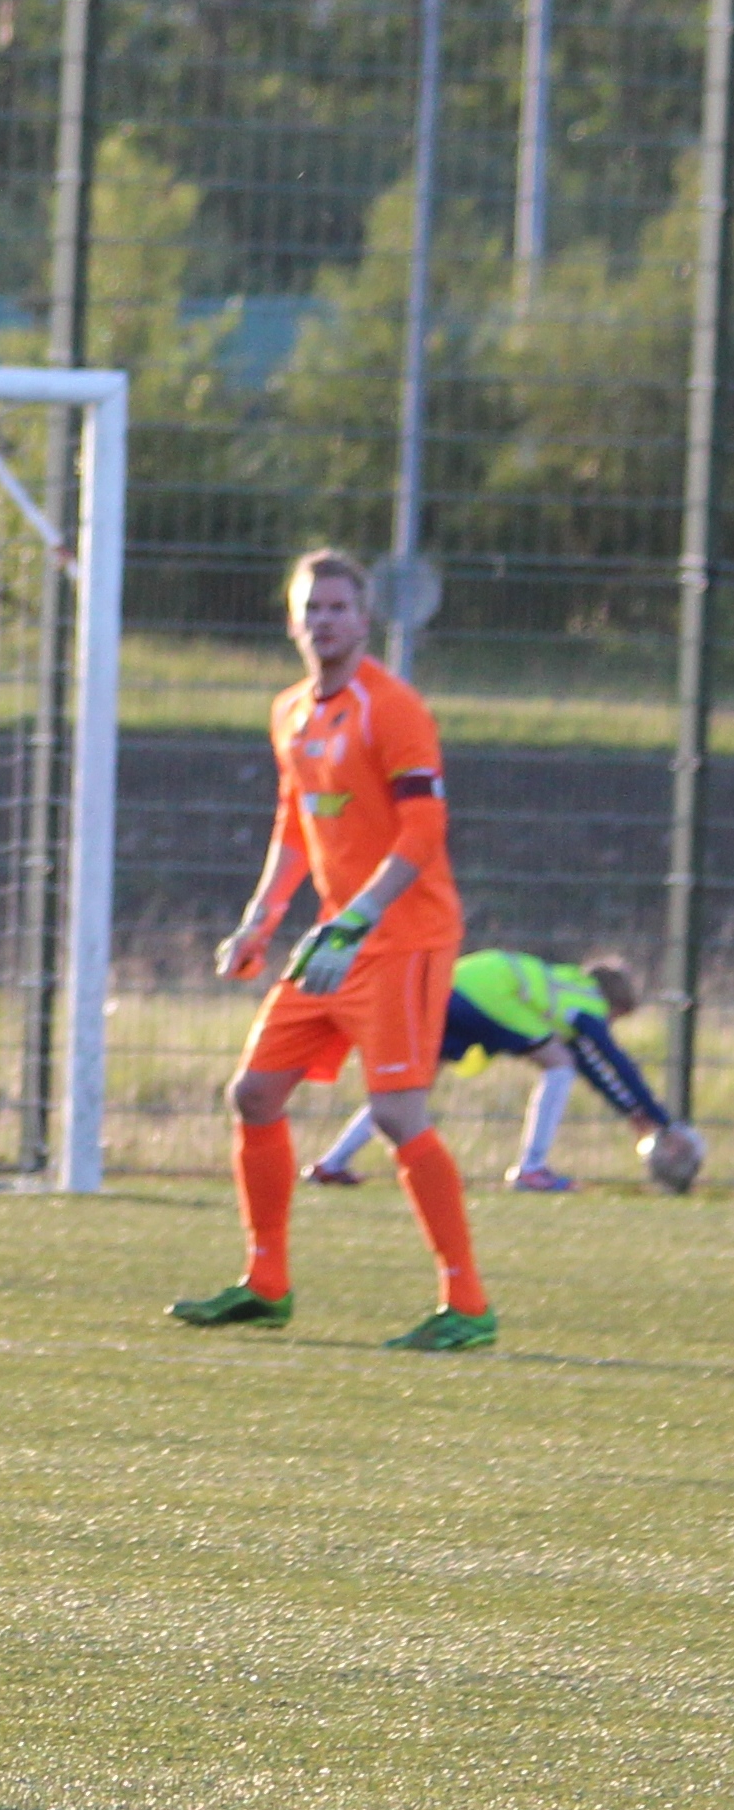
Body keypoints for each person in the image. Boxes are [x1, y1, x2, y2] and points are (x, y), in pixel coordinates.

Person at [171, 550, 501, 1352]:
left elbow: (422, 832)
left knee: (395, 1112)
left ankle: (466, 1304)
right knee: (254, 1093)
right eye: (311, 608)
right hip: (334, 939)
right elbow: (295, 821)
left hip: (404, 939)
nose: (323, 621)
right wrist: (259, 919)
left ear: (363, 619)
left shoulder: (392, 708)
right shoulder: (289, 711)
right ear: (292, 621)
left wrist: (355, 921)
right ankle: (265, 1284)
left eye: (337, 608)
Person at [306, 951, 676, 1192]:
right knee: (559, 1064)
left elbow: (593, 1067)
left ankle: (331, 1164)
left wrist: (633, 1112)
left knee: (408, 1088)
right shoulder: (587, 1002)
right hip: (489, 995)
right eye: (616, 1018)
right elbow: (613, 1061)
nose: (611, 1025)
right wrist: (661, 1119)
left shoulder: (562, 984)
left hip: (450, 986)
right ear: (614, 1002)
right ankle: (533, 1170)